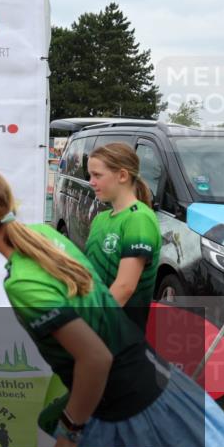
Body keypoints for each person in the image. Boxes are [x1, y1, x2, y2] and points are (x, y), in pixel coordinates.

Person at [0, 166, 224, 447]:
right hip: (162, 387)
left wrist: (69, 431)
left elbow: (95, 358)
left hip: (131, 415)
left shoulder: (22, 283)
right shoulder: (43, 235)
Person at [85, 142, 161, 331]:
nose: (91, 182)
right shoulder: (101, 219)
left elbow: (125, 286)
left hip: (121, 335)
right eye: (90, 175)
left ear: (122, 175)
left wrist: (91, 325)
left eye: (97, 175)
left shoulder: (139, 218)